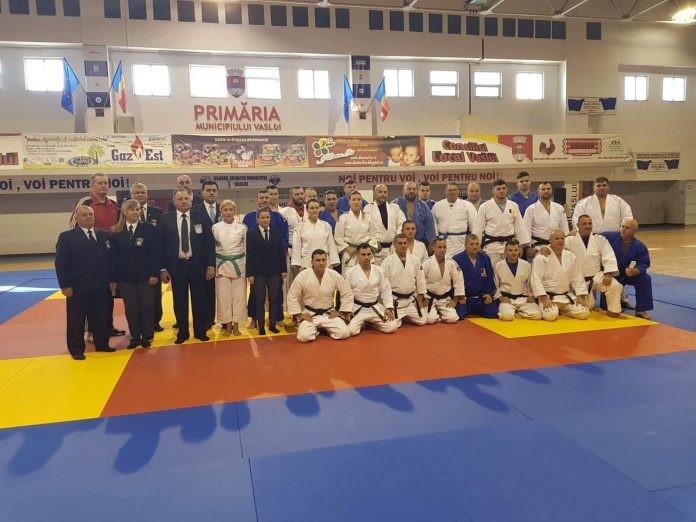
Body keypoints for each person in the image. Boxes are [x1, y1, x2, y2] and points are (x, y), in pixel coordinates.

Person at [55, 206, 115, 360]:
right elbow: (61, 263)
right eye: (84, 215)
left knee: (101, 317)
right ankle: (76, 349)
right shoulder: (67, 237)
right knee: (76, 320)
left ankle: (102, 343)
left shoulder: (104, 235)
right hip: (78, 286)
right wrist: (65, 285)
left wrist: (112, 279)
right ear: (77, 218)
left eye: (91, 214)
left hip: (101, 285)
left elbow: (111, 261)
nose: (88, 217)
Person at [69, 173, 124, 338]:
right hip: (90, 255)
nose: (103, 186)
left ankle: (108, 326)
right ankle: (92, 330)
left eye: (106, 183)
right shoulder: (85, 202)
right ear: (92, 186)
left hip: (110, 255)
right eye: (100, 183)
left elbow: (119, 227)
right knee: (91, 294)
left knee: (108, 294)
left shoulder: (114, 204)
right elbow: (73, 226)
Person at [159, 189, 216, 343]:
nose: (184, 201)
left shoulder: (201, 217)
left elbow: (209, 243)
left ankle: (200, 331)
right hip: (176, 266)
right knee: (179, 302)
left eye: (186, 198)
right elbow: (160, 246)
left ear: (191, 200)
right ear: (174, 201)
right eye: (180, 199)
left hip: (198, 265)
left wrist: (211, 265)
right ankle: (182, 333)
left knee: (199, 300)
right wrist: (162, 268)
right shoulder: (165, 219)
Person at [110, 199, 160, 349]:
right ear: (124, 212)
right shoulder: (116, 231)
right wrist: (114, 279)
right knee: (131, 309)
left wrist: (154, 273)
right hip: (125, 278)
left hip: (146, 276)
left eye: (138, 209)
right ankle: (135, 336)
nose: (136, 212)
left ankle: (147, 336)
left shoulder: (149, 228)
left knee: (146, 307)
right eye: (132, 209)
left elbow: (155, 253)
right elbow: (113, 257)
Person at [243, 189, 288, 328]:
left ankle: (278, 317)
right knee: (255, 294)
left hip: (274, 264)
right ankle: (254, 318)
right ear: (257, 199)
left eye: (266, 197)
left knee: (277, 293)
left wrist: (282, 266)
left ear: (270, 199)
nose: (264, 200)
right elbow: (246, 243)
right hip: (257, 266)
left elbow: (283, 240)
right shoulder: (249, 217)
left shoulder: (279, 217)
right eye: (261, 197)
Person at [287, 249, 354, 342]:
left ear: (327, 261)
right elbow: (292, 296)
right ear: (312, 262)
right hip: (310, 314)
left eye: (323, 260)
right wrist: (300, 315)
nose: (321, 263)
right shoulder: (303, 275)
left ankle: (322, 329)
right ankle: (317, 330)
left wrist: (341, 312)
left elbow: (347, 292)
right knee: (304, 337)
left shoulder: (333, 274)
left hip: (328, 314)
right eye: (318, 260)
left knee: (344, 333)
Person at [564, 215, 622, 317]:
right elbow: (555, 247)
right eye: (584, 224)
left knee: (614, 285)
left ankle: (613, 310)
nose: (587, 226)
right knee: (588, 307)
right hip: (578, 280)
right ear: (578, 225)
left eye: (590, 223)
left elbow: (608, 256)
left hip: (596, 276)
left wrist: (608, 274)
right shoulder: (569, 240)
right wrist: (546, 249)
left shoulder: (599, 239)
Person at [530, 229, 590, 321]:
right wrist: (544, 298)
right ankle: (557, 310)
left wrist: (580, 296)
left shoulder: (571, 256)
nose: (560, 241)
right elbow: (536, 279)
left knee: (584, 312)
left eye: (562, 238)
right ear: (550, 240)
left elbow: (577, 277)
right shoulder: (542, 257)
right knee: (550, 316)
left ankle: (563, 311)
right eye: (557, 238)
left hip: (566, 296)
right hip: (548, 297)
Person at [129, 182, 164, 331]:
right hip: (134, 262)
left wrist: (162, 266)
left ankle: (155, 321)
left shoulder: (158, 212)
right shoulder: (123, 213)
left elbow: (162, 238)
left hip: (153, 260)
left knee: (155, 294)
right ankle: (139, 324)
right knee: (135, 299)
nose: (140, 195)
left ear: (147, 194)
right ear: (131, 195)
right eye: (137, 192)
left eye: (143, 192)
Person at [601, 218, 653, 319]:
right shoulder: (609, 237)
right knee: (607, 307)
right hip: (608, 273)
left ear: (635, 231)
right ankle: (609, 306)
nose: (623, 229)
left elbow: (644, 262)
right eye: (622, 226)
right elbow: (592, 238)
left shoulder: (639, 246)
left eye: (627, 228)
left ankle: (641, 309)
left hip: (624, 274)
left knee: (645, 278)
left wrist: (636, 270)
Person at [472, 179, 530, 265]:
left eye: (503, 188)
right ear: (493, 191)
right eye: (498, 189)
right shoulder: (485, 207)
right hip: (492, 246)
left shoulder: (513, 205)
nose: (501, 191)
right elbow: (478, 228)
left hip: (510, 246)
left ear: (507, 190)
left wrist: (521, 245)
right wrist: (477, 246)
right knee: (493, 271)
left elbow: (519, 227)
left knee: (510, 270)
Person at [345, 244, 399, 336]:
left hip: (374, 307)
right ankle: (364, 323)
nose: (366, 257)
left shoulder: (379, 270)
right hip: (358, 308)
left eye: (369, 254)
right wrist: (347, 310)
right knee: (351, 331)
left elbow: (386, 290)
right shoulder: (350, 272)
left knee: (392, 327)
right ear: (357, 255)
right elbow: (347, 294)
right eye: (363, 254)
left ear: (371, 255)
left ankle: (373, 325)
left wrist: (388, 307)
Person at [212, 200, 247, 336]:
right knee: (223, 297)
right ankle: (227, 325)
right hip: (221, 265)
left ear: (234, 211)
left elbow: (246, 248)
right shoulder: (215, 227)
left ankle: (236, 325)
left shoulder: (242, 227)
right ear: (221, 211)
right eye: (225, 210)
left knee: (239, 297)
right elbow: (213, 247)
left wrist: (246, 266)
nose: (228, 212)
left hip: (238, 264)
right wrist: (214, 266)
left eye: (231, 209)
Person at [381, 234, 428, 327]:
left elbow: (420, 280)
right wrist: (387, 305)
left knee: (423, 320)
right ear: (394, 245)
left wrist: (420, 298)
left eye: (405, 243)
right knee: (391, 326)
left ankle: (405, 317)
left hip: (410, 301)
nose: (403, 245)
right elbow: (384, 286)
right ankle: (401, 317)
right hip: (395, 302)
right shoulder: (387, 262)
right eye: (400, 243)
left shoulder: (415, 260)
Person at [192, 179, 221, 330]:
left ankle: (222, 318)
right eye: (208, 190)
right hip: (201, 257)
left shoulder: (224, 208)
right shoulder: (195, 210)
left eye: (214, 190)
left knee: (222, 290)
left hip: (223, 255)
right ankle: (205, 320)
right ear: (202, 193)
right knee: (204, 290)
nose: (211, 193)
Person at [452, 234, 499, 319]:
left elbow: (489, 277)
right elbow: (454, 281)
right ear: (465, 245)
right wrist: (459, 296)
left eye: (477, 244)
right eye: (471, 244)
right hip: (465, 297)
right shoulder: (457, 259)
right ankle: (470, 309)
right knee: (459, 315)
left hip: (481, 298)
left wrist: (488, 294)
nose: (474, 247)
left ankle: (474, 310)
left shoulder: (485, 258)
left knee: (493, 313)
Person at [493, 240, 541, 321]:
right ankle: (513, 312)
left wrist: (531, 295)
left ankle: (517, 313)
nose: (513, 253)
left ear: (519, 251)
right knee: (507, 316)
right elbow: (495, 285)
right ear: (505, 251)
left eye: (515, 250)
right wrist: (500, 298)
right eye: (510, 250)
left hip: (523, 299)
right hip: (507, 299)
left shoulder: (526, 265)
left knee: (537, 315)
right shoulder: (498, 265)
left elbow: (531, 283)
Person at [422, 237, 465, 324]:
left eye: (444, 247)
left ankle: (438, 314)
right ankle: (435, 314)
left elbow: (459, 282)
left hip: (445, 299)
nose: (442, 250)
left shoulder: (451, 263)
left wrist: (455, 300)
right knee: (430, 320)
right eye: (439, 247)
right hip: (429, 298)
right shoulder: (427, 262)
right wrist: (422, 298)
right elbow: (419, 281)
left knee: (453, 318)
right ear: (434, 248)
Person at [431, 182, 478, 259]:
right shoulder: (437, 206)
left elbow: (474, 225)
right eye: (449, 190)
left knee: (461, 263)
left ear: (458, 191)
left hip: (461, 242)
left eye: (454, 190)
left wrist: (474, 242)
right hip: (442, 242)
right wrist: (435, 240)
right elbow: (433, 224)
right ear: (445, 191)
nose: (452, 192)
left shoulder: (467, 205)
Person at [523, 181, 569, 257]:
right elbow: (526, 230)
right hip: (538, 247)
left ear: (551, 190)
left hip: (556, 246)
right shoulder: (531, 209)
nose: (546, 191)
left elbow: (564, 230)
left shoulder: (559, 208)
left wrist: (565, 245)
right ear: (538, 191)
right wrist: (528, 247)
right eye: (543, 189)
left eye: (548, 189)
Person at [291, 199, 340, 270]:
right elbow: (296, 247)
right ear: (307, 210)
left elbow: (331, 246)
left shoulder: (326, 225)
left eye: (317, 208)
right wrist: (299, 266)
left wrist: (332, 264)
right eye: (312, 208)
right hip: (306, 264)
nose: (315, 210)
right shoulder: (300, 227)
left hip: (324, 263)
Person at [363, 184, 406, 265]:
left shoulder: (395, 207)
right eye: (380, 192)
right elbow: (365, 229)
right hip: (376, 250)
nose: (383, 194)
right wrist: (373, 243)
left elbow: (402, 224)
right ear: (374, 193)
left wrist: (397, 239)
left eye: (385, 192)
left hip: (392, 248)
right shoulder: (368, 208)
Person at [335, 191, 373, 270]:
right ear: (349, 202)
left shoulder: (368, 217)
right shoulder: (343, 217)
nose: (356, 202)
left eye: (359, 199)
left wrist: (367, 247)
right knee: (349, 275)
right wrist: (347, 248)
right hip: (349, 252)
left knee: (366, 274)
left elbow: (374, 234)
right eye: (354, 199)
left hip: (365, 252)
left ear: (361, 202)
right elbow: (338, 237)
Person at [393, 181, 436, 246]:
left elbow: (429, 227)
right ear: (403, 190)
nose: (412, 191)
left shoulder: (423, 206)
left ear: (417, 191)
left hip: (419, 242)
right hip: (399, 242)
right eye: (409, 189)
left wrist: (431, 244)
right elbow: (391, 225)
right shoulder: (395, 204)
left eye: (414, 189)